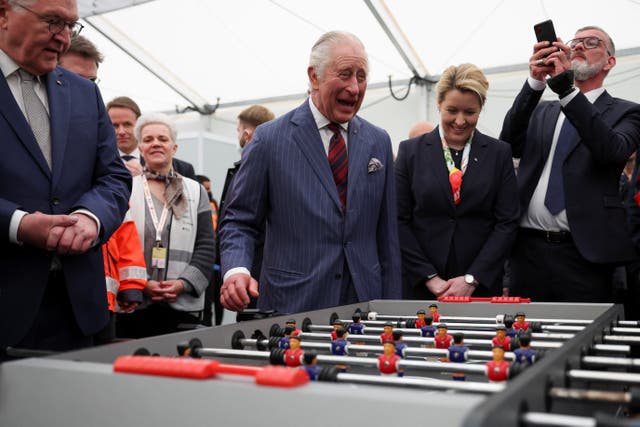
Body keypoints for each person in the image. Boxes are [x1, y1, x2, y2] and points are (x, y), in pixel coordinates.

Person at [219, 31, 401, 314]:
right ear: (314, 76)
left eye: (361, 76)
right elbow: (239, 220)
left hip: (365, 306)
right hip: (292, 306)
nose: (354, 88)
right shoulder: (270, 140)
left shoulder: (378, 141)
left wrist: (391, 309)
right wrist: (236, 269)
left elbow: (387, 236)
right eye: (345, 74)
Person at [0, 0, 131, 356]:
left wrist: (90, 218)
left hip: (76, 311)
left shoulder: (84, 92)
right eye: (53, 22)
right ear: (4, 13)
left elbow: (114, 177)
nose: (64, 38)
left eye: (72, 26)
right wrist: (18, 224)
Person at [500, 25, 640, 302]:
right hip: (528, 253)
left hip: (584, 258)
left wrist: (566, 90)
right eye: (575, 41)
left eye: (591, 42)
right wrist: (536, 82)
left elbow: (611, 151)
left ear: (610, 61)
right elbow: (507, 144)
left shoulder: (628, 112)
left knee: (583, 340)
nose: (578, 46)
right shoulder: (542, 110)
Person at [395, 63, 519, 299]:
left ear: (480, 109)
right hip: (421, 288)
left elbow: (507, 222)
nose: (460, 121)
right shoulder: (410, 152)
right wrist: (429, 277)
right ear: (439, 104)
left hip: (479, 288)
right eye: (452, 110)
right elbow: (399, 220)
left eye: (469, 112)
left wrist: (472, 279)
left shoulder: (498, 154)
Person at [59, 35, 146, 343]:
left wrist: (90, 217)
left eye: (93, 81)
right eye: (76, 79)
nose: (87, 90)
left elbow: (123, 222)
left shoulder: (97, 142)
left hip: (95, 297)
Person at [116, 113, 215, 338]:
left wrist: (183, 283)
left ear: (174, 147)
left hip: (182, 304)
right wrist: (142, 283)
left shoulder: (195, 190)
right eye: (148, 140)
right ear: (140, 148)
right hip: (135, 303)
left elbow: (206, 245)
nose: (156, 144)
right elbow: (117, 245)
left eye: (162, 138)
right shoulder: (124, 189)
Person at [214, 105, 275, 324]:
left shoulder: (246, 170)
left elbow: (236, 222)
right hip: (246, 273)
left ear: (247, 134)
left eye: (238, 131)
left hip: (255, 275)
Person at [106, 96, 197, 180]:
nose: (121, 131)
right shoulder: (99, 166)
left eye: (127, 124)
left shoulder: (183, 169)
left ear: (138, 124)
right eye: (115, 125)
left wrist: (144, 178)